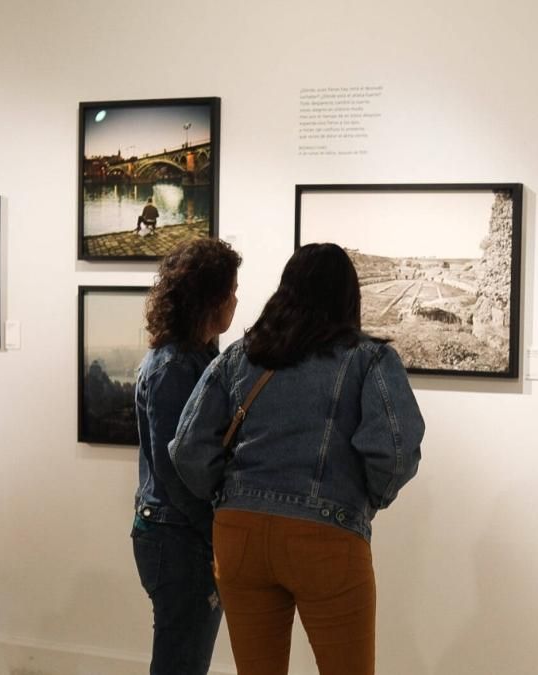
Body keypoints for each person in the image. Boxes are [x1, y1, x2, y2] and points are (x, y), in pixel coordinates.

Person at [169, 243, 425, 675]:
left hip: (239, 536)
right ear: (349, 297)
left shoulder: (239, 355)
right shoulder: (370, 359)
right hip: (325, 538)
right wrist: (363, 502)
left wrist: (228, 496)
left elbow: (188, 446)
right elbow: (396, 452)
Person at [132, 238, 242, 675]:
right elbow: (176, 468)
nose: (236, 299)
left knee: (186, 658)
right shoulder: (173, 368)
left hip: (181, 531)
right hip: (176, 535)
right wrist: (216, 532)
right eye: (231, 291)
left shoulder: (195, 359)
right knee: (181, 661)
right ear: (210, 300)